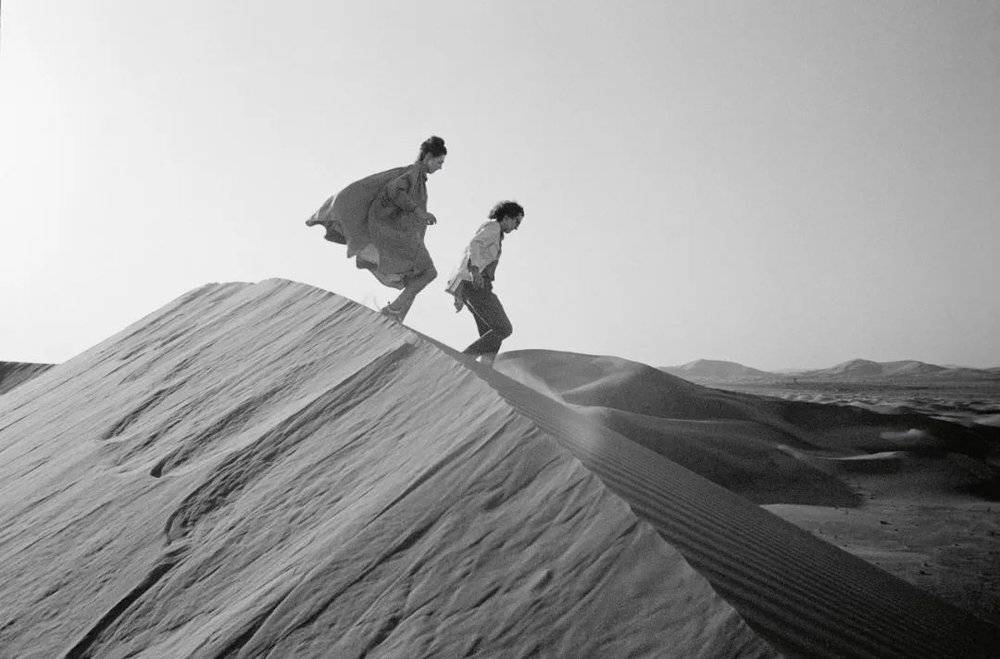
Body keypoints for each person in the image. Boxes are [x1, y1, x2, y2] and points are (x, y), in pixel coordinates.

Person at [306, 136, 446, 322]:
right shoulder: (413, 174)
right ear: (428, 156)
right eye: (439, 161)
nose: (441, 167)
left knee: (418, 277)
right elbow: (394, 191)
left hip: (401, 238)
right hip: (394, 238)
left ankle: (396, 317)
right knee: (428, 273)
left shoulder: (416, 176)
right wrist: (419, 212)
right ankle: (393, 311)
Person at [446, 200, 523, 366]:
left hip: (473, 285)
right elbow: (474, 244)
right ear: (507, 216)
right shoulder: (493, 228)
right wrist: (474, 271)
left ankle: (484, 370)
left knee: (490, 334)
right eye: (516, 221)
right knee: (503, 329)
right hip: (476, 284)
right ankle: (465, 359)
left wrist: (459, 294)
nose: (516, 227)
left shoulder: (495, 231)